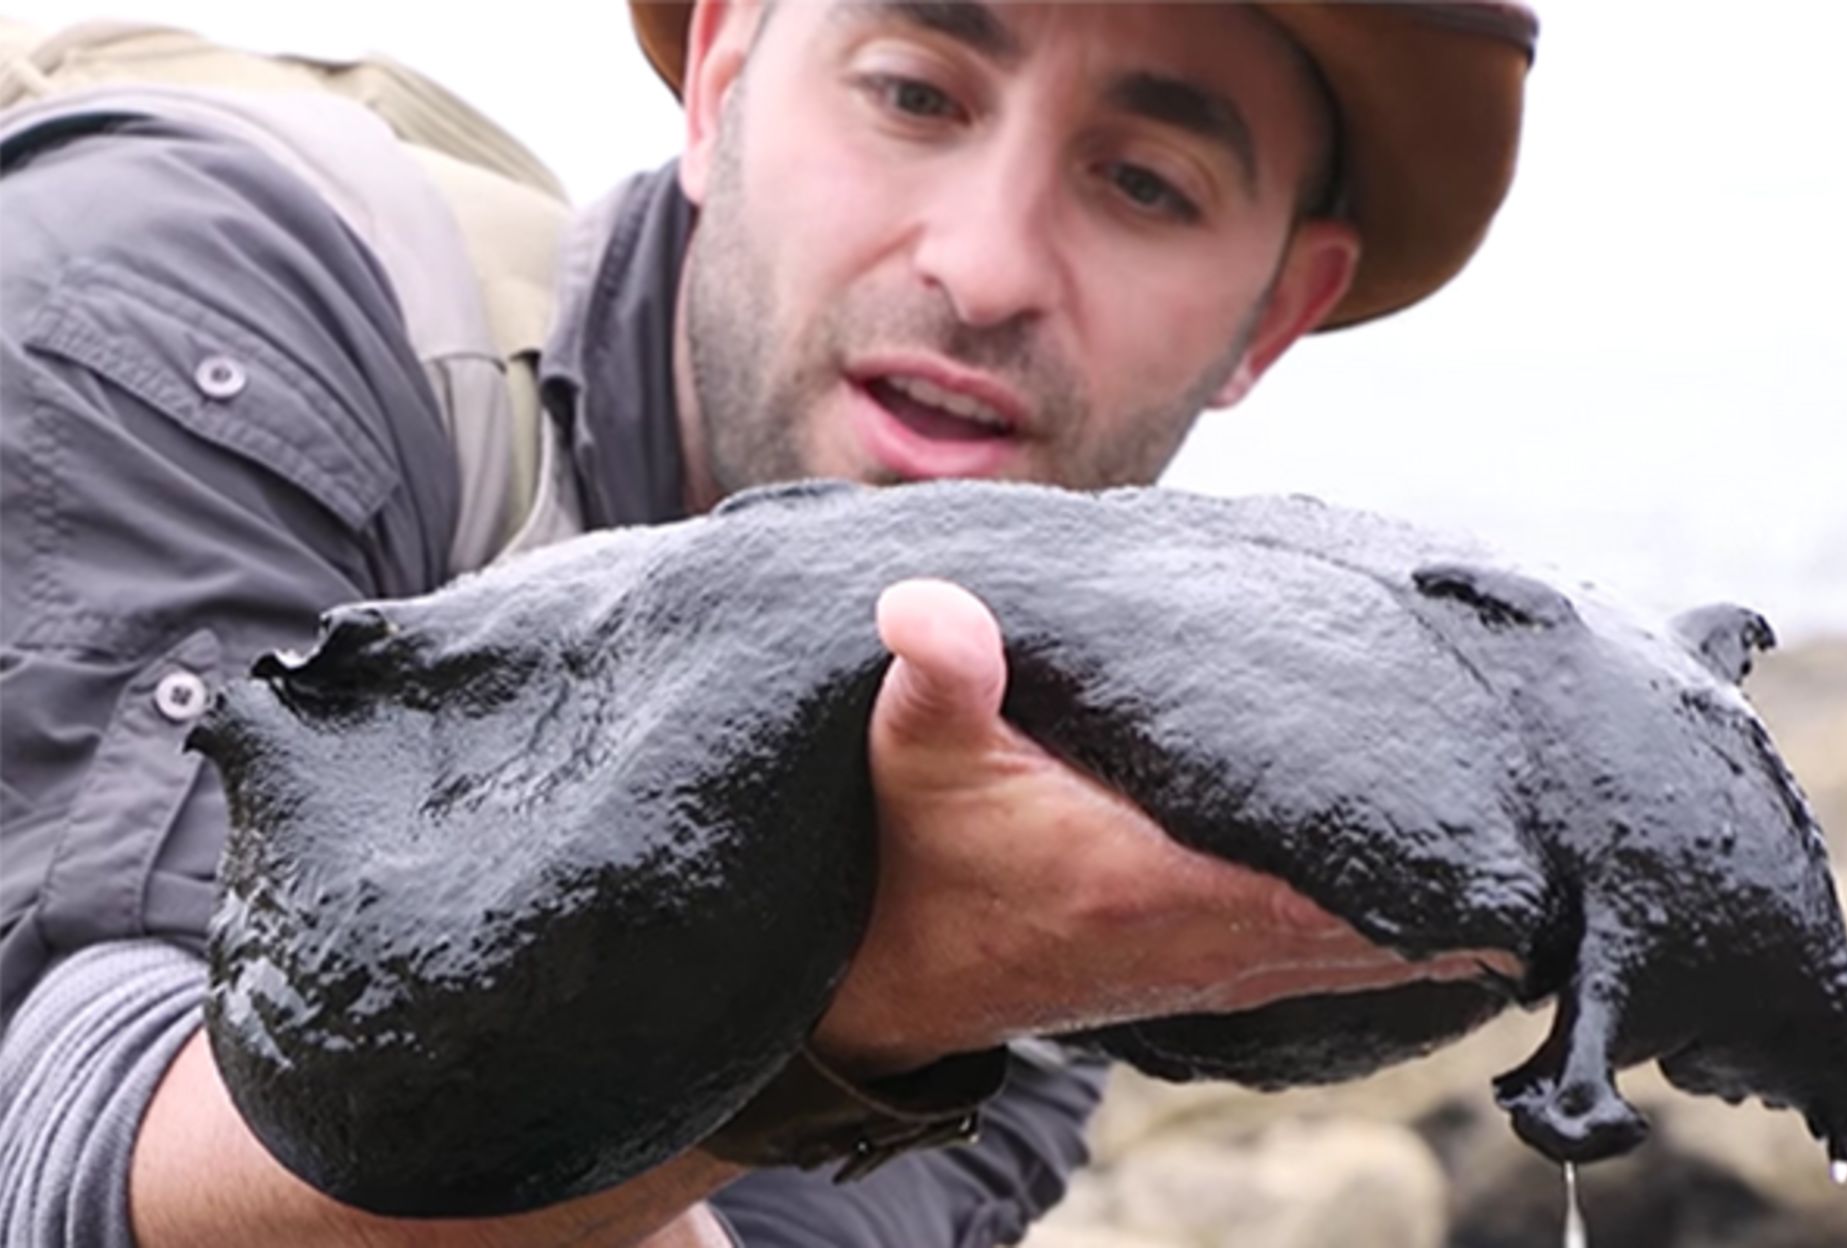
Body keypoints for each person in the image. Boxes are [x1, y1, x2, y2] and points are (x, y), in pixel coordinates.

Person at [0, 1, 1537, 1244]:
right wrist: (892, 983)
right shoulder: (190, 307)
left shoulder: (1087, 780)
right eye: (914, 93)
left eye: (1146, 183)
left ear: (1270, 313)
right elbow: (69, 1144)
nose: (984, 266)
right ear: (722, 73)